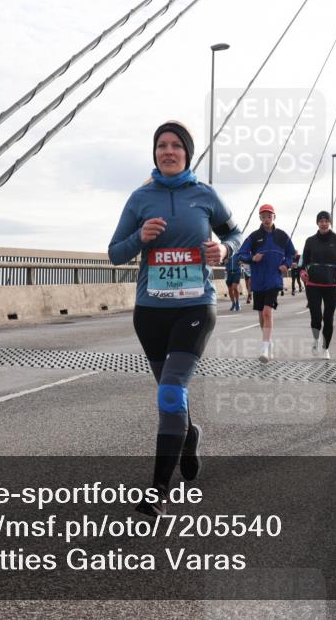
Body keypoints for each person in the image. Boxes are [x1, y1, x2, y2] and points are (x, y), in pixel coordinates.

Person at [108, 121, 243, 517]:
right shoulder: (139, 199)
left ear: (187, 153)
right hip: (150, 312)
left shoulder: (205, 196)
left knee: (169, 393)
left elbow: (236, 234)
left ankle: (156, 493)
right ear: (155, 153)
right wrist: (141, 238)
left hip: (195, 307)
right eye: (161, 146)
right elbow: (115, 253)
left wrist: (225, 250)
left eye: (175, 146)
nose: (168, 152)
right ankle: (188, 436)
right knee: (174, 398)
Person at [236, 203, 295, 362]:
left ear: (274, 217)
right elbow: (241, 254)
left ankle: (264, 348)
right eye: (264, 216)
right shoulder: (254, 236)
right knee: (262, 315)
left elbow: (291, 253)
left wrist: (286, 264)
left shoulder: (282, 236)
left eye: (269, 216)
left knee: (268, 312)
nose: (267, 219)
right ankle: (268, 342)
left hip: (274, 280)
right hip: (258, 280)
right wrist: (251, 258)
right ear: (260, 218)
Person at [300, 211, 336, 359]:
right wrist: (303, 271)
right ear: (317, 223)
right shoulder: (310, 241)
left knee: (328, 318)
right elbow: (304, 261)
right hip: (313, 284)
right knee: (316, 317)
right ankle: (316, 340)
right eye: (321, 221)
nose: (323, 223)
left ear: (330, 222)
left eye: (326, 221)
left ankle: (326, 347)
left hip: (331, 285)